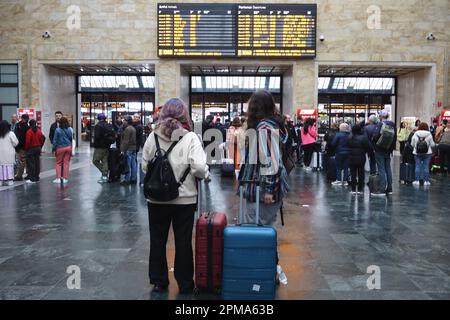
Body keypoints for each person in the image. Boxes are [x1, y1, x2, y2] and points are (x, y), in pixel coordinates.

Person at [142, 98, 208, 294]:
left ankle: (159, 281)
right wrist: (206, 172)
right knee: (183, 241)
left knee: (157, 240)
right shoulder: (190, 138)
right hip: (184, 198)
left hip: (156, 199)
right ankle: (185, 283)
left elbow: (145, 165)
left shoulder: (152, 136)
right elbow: (198, 168)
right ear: (184, 115)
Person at [241, 90, 289, 280]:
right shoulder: (273, 125)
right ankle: (268, 269)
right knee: (265, 229)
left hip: (262, 189)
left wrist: (268, 190)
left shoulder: (264, 129)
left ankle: (265, 271)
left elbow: (269, 160)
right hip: (265, 186)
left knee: (260, 229)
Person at [371, 110, 396, 196]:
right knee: (388, 169)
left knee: (381, 169)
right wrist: (391, 149)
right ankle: (389, 189)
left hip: (379, 149)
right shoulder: (393, 124)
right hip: (388, 150)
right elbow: (394, 138)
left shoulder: (380, 124)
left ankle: (381, 190)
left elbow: (375, 136)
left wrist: (373, 140)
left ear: (381, 116)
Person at [348, 124, 370, 194]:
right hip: (361, 157)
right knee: (361, 173)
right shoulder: (363, 138)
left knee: (353, 173)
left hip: (351, 158)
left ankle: (353, 189)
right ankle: (360, 189)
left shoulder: (349, 137)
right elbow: (368, 147)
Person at [93, 113, 114, 184]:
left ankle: (104, 172)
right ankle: (104, 176)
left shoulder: (98, 126)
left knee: (95, 161)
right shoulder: (109, 125)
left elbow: (97, 137)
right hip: (107, 146)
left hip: (100, 146)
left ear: (98, 118)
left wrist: (94, 144)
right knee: (105, 161)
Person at [52, 117, 73, 184]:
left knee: (58, 163)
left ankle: (58, 178)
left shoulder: (57, 130)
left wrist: (53, 148)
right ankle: (65, 179)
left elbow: (55, 140)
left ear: (60, 123)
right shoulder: (70, 129)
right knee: (66, 163)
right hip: (68, 147)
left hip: (60, 148)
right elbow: (71, 138)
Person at [24, 119, 45, 183]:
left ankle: (32, 178)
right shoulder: (39, 131)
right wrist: (40, 146)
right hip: (38, 148)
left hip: (31, 149)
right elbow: (43, 138)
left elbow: (27, 142)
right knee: (37, 163)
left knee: (31, 163)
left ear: (29, 124)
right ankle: (36, 177)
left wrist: (26, 149)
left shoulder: (29, 131)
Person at [0, 120, 19, 186]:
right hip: (9, 153)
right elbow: (16, 143)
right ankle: (10, 180)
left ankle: (1, 181)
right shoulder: (11, 133)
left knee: (1, 167)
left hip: (0, 154)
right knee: (9, 167)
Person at [120, 116, 137, 185]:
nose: (123, 121)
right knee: (134, 164)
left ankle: (127, 180)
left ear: (128, 121)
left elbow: (125, 141)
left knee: (127, 165)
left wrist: (122, 150)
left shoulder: (127, 129)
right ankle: (133, 179)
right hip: (133, 148)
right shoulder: (133, 128)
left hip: (128, 149)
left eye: (124, 120)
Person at [13, 114, 30, 181]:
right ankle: (22, 175)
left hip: (21, 147)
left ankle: (19, 175)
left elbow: (18, 136)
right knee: (22, 161)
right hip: (22, 147)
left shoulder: (20, 126)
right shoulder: (22, 126)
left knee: (22, 161)